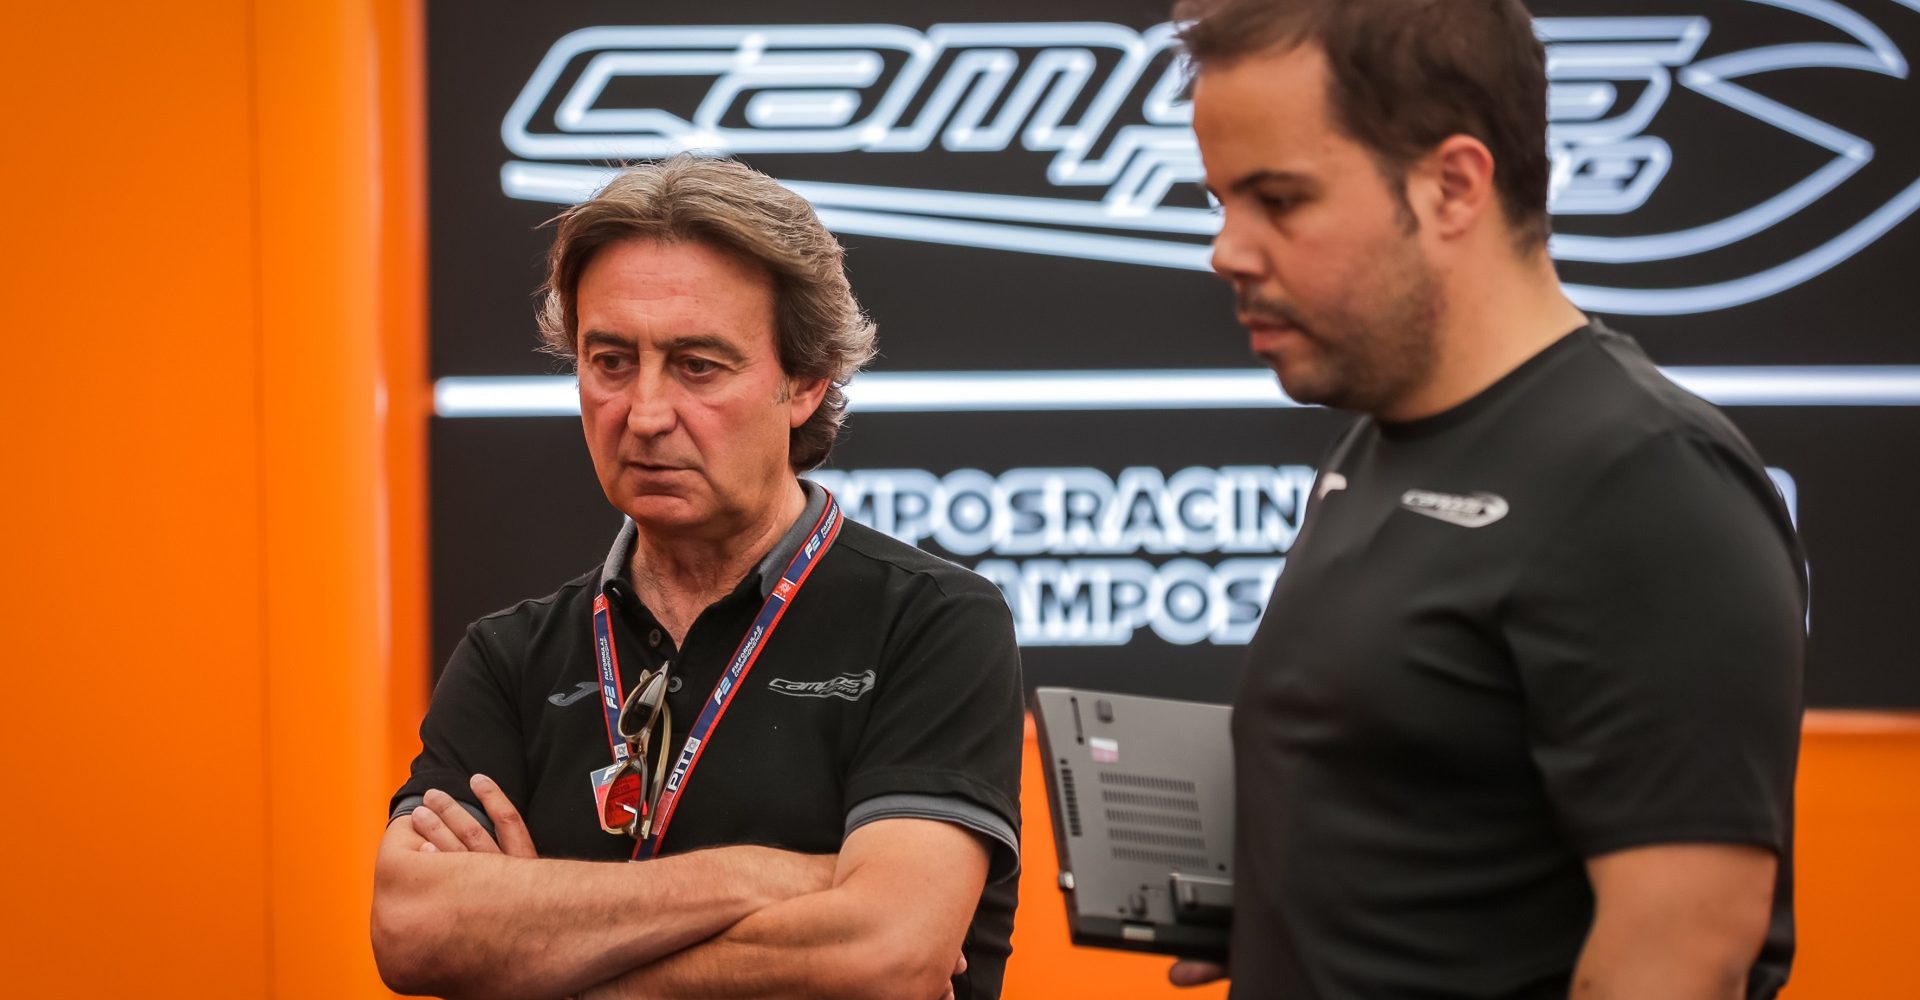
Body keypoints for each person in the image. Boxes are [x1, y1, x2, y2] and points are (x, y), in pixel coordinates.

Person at [1168, 0, 1807, 996]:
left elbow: (1677, 961)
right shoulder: (1374, 446)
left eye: (1279, 200)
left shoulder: (1645, 478)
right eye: (1221, 203)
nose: (1229, 252)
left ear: (1454, 184)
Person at [371, 155, 1025, 1000]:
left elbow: (887, 955)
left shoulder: (933, 622)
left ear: (806, 381)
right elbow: (411, 929)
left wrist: (541, 949)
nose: (643, 414)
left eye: (697, 365)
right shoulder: (509, 655)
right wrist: (775, 878)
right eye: (610, 361)